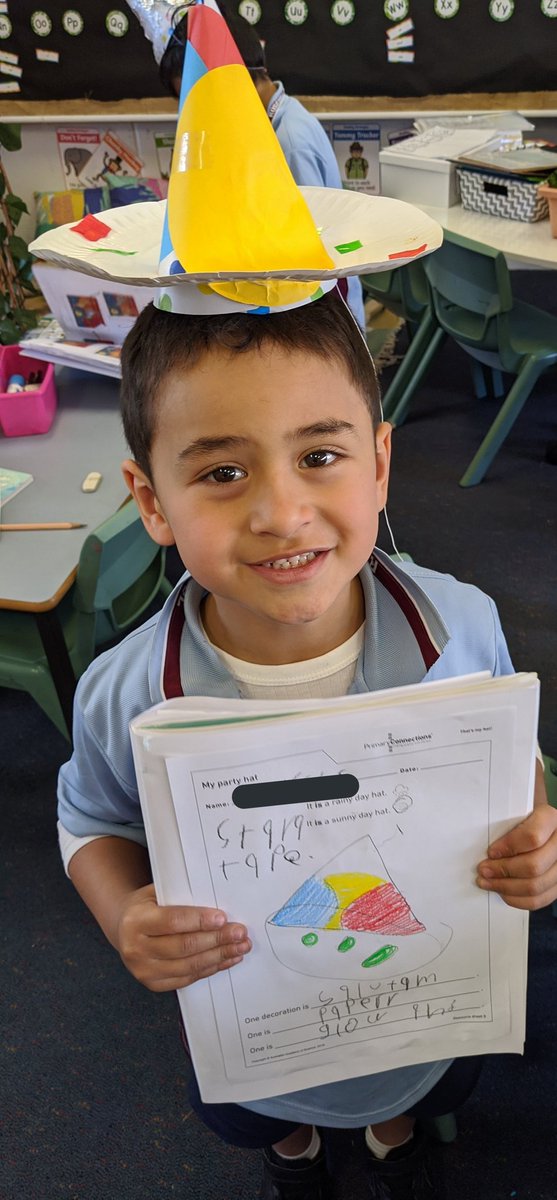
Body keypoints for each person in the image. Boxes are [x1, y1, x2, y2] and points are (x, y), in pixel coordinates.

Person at [57, 287, 557, 1200]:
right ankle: (289, 1149)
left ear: (378, 466)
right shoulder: (127, 694)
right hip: (253, 1017)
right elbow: (88, 817)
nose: (282, 513)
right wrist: (122, 913)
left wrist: (535, 822)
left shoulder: (459, 629)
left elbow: (507, 752)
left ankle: (390, 1125)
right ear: (151, 500)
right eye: (220, 474)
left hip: (422, 996)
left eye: (319, 456)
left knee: (422, 1085)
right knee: (262, 1120)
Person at [158, 7, 366, 330]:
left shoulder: (288, 142)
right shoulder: (266, 126)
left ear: (234, 85)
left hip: (323, 316)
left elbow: (305, 255)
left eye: (206, 101)